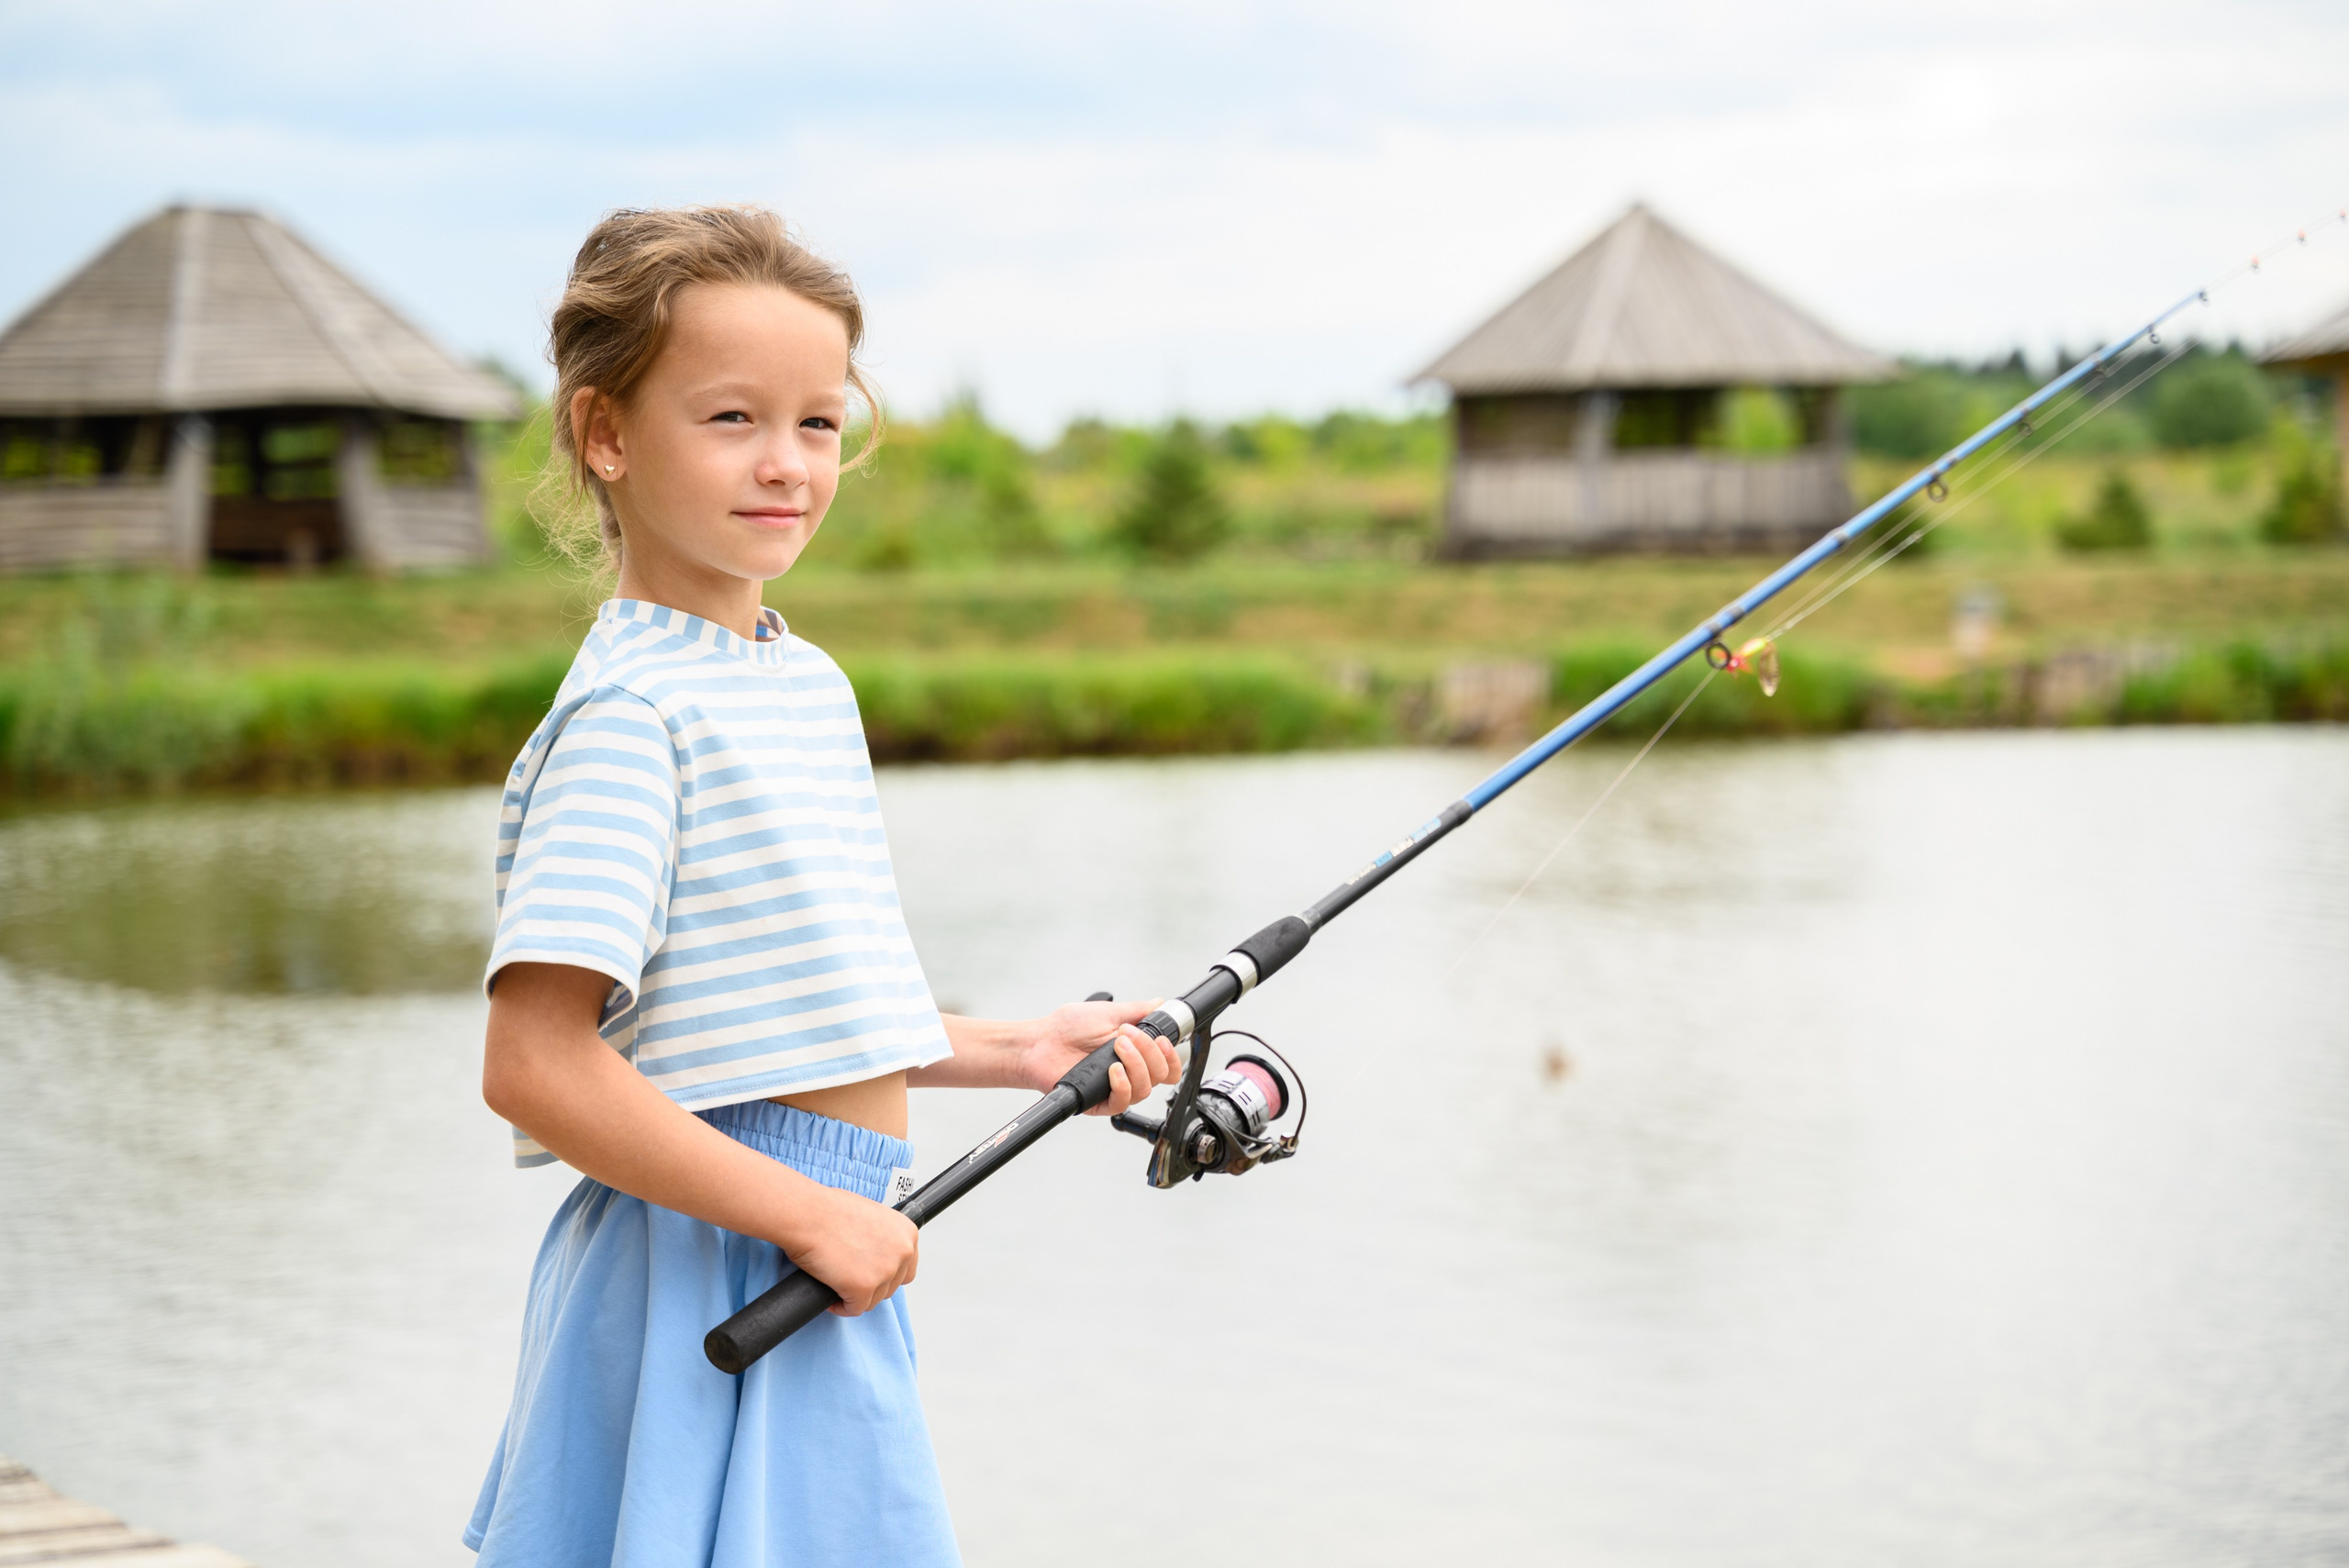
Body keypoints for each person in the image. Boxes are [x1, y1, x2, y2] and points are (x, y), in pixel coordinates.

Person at [464, 206, 1181, 1568]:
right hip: (717, 1250)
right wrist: (799, 1211)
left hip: (827, 1235)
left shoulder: (801, 680)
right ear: (606, 436)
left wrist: (1015, 1046)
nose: (786, 463)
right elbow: (535, 1060)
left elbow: (787, 1007)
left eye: (817, 422)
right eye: (732, 418)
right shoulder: (631, 716)